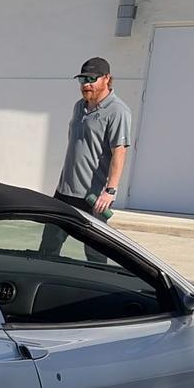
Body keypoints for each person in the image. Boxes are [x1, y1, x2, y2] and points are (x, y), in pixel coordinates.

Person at [43, 56, 132, 259]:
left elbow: (120, 151)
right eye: (83, 80)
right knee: (48, 247)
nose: (87, 84)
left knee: (95, 254)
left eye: (92, 79)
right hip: (64, 192)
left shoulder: (118, 111)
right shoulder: (79, 106)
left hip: (93, 197)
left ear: (107, 79)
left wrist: (110, 191)